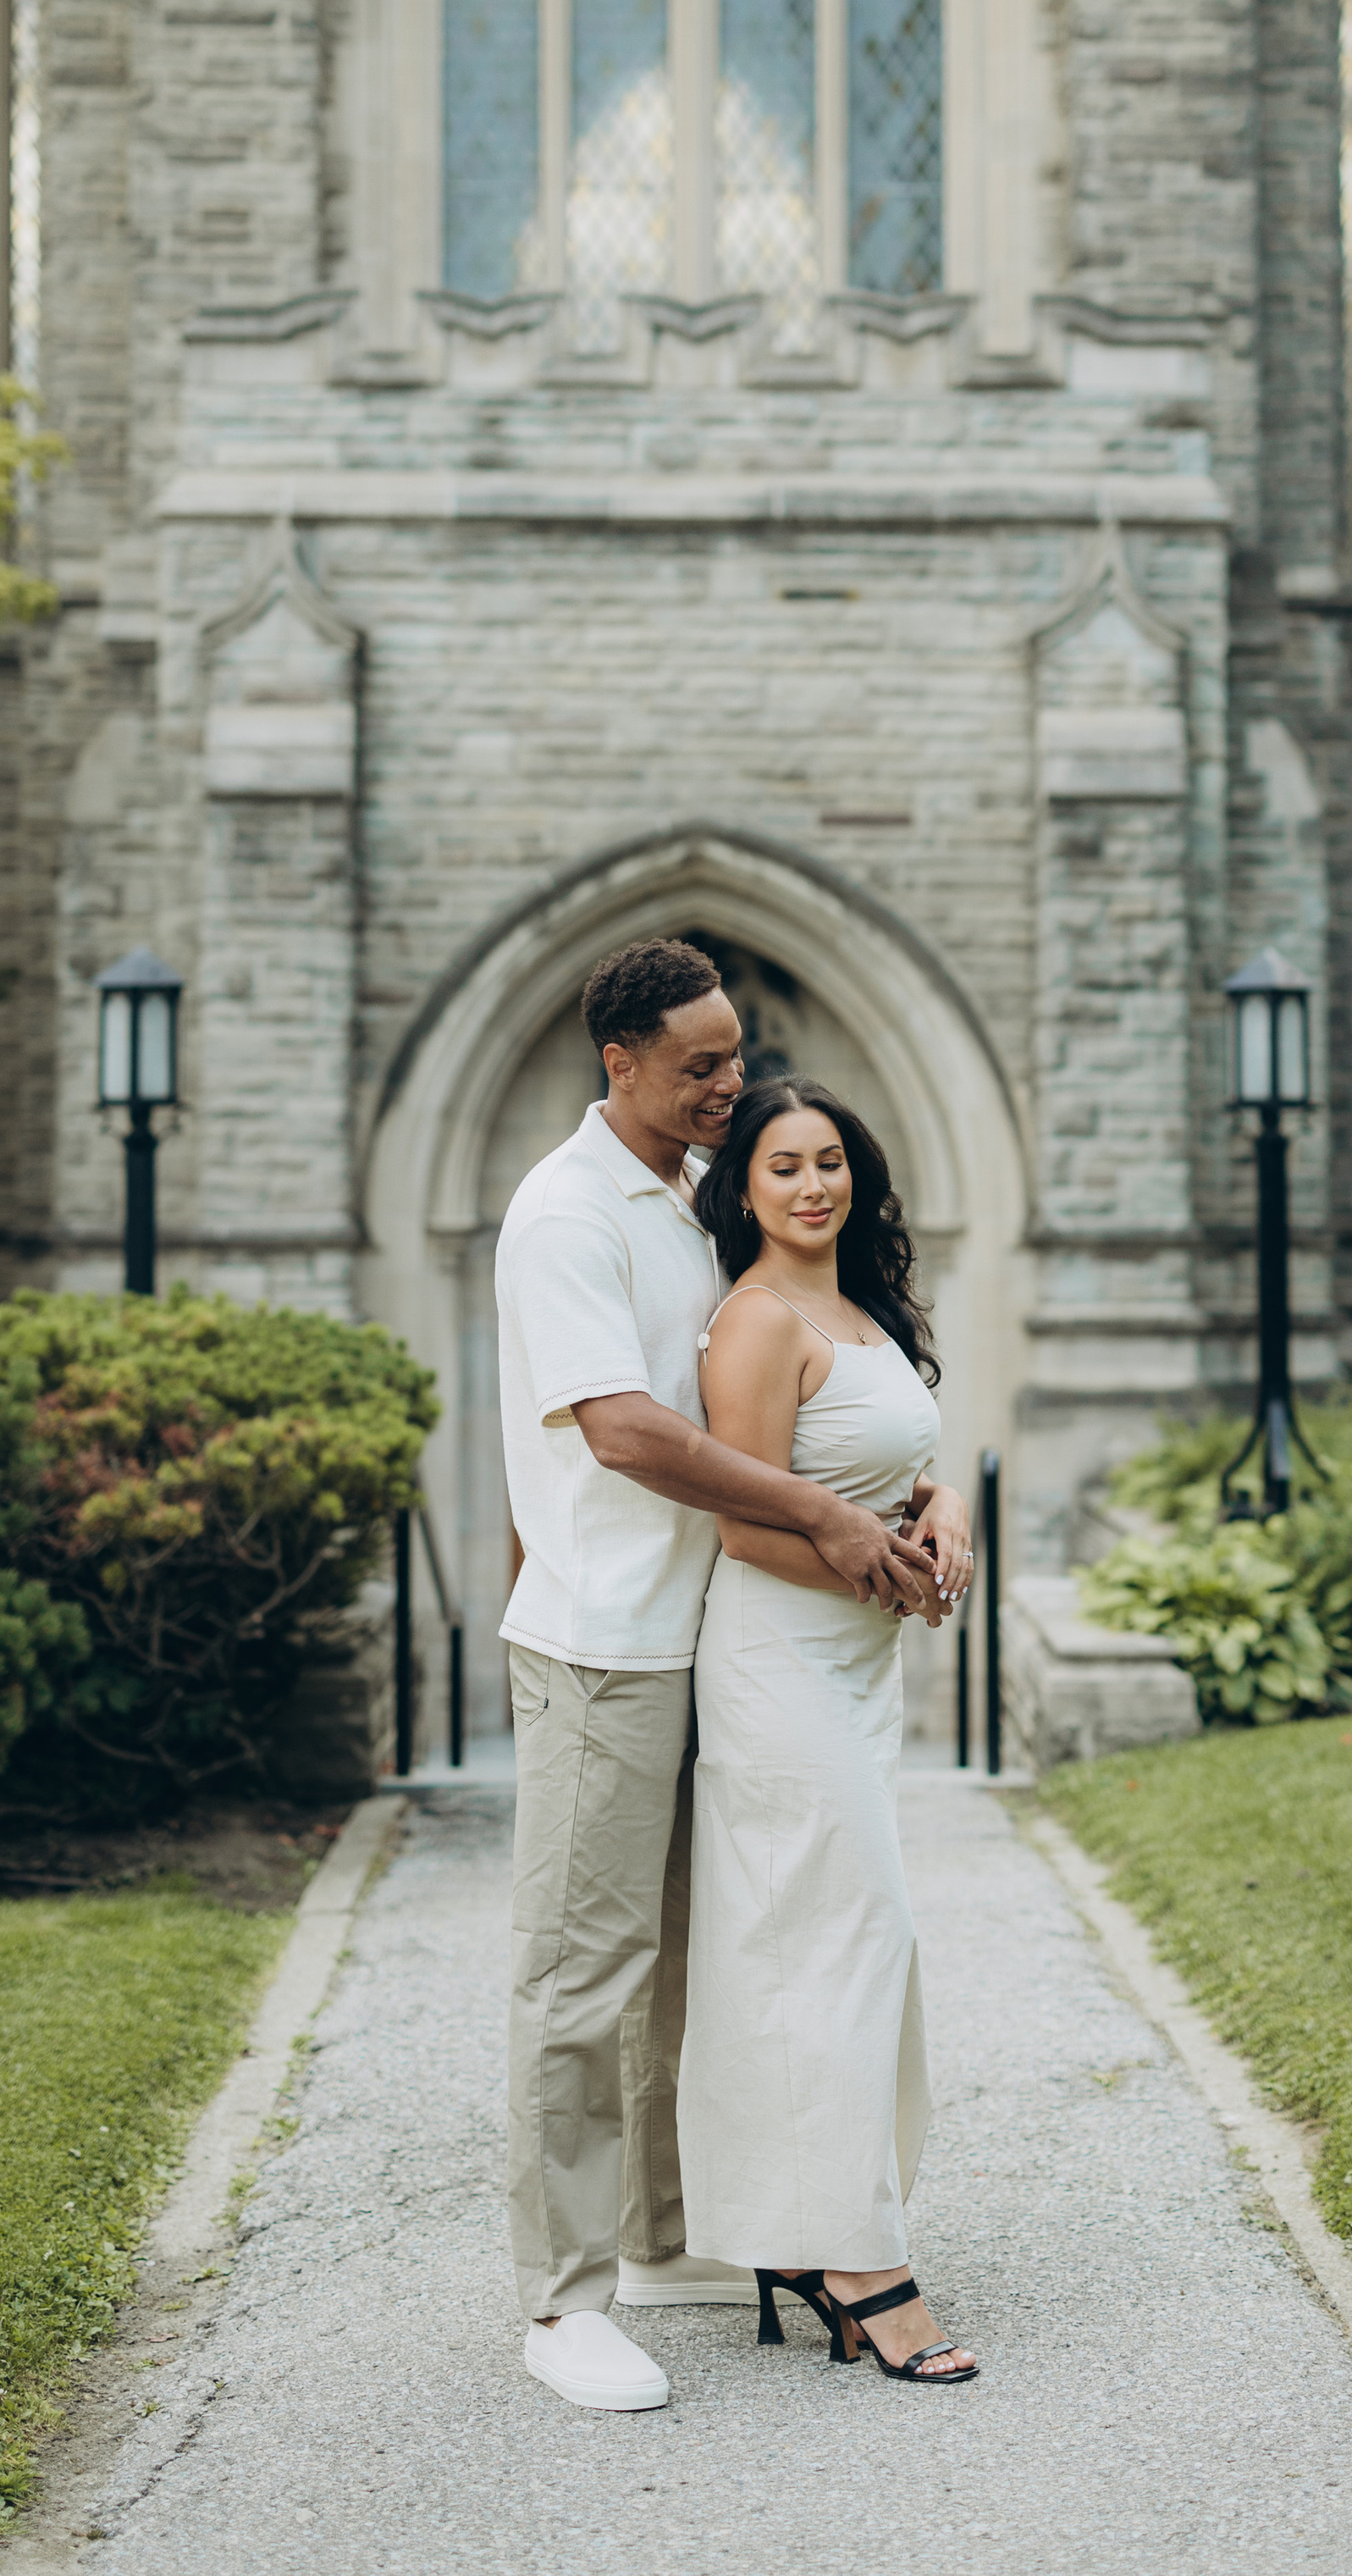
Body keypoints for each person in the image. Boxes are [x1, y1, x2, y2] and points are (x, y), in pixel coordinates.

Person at [495, 939, 975, 2413]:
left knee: (708, 1959)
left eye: (734, 1054)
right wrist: (834, 1524)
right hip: (607, 1639)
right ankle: (563, 2304)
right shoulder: (567, 1210)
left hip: (722, 1633)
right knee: (586, 1973)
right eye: (700, 1064)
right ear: (618, 1062)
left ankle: (667, 2237)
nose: (730, 1083)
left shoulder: (702, 1212)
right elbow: (628, 1432)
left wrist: (904, 1503)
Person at [675, 1075, 980, 2386]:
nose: (813, 1185)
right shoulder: (751, 1322)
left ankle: (824, 2229)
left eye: (831, 1161)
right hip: (780, 1659)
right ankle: (853, 2262)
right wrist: (883, 1575)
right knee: (833, 1939)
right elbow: (746, 1523)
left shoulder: (855, 1305)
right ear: (742, 1187)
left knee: (852, 1935)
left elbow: (880, 1464)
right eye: (785, 1166)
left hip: (855, 1665)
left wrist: (944, 1504)